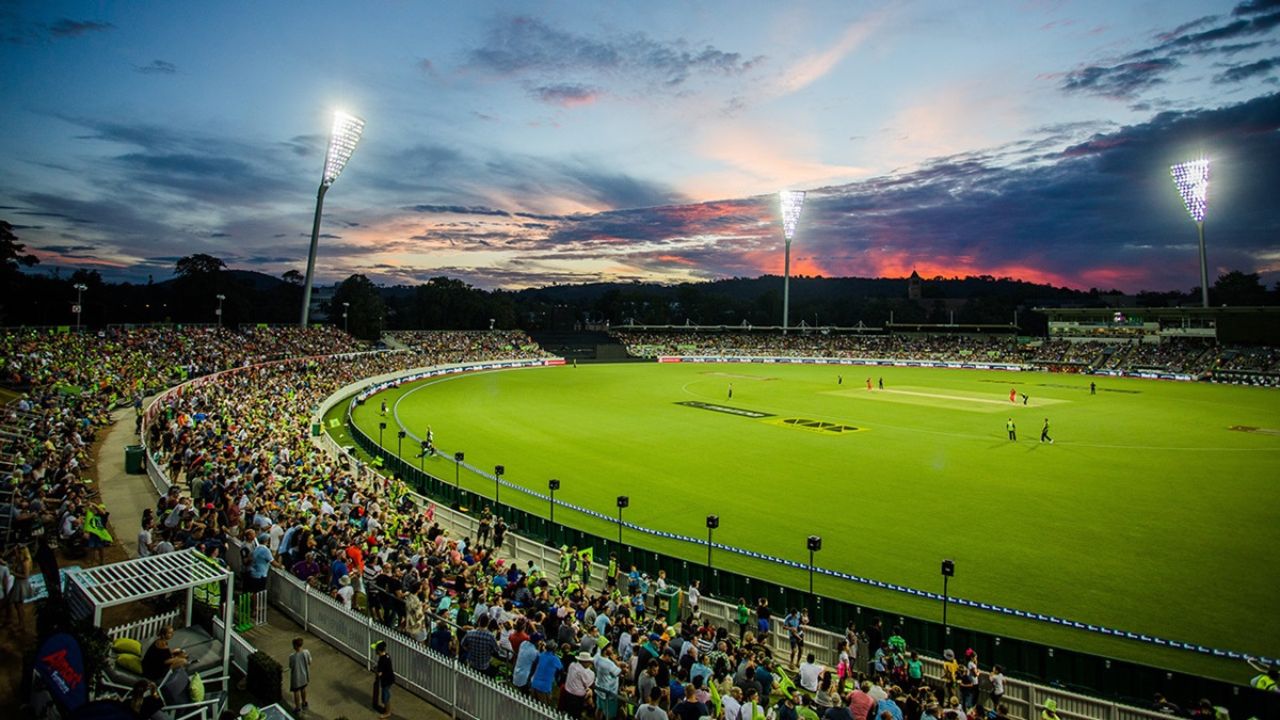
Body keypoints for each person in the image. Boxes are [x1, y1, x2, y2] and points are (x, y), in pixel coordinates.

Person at [562, 652, 596, 717]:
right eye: (589, 662)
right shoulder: (584, 672)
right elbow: (588, 683)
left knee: (567, 713)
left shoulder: (572, 665)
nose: (590, 664)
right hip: (576, 698)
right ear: (585, 662)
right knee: (574, 715)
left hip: (567, 693)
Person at [288, 637, 312, 713]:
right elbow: (309, 662)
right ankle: (304, 703)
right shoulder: (306, 652)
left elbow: (291, 666)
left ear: (295, 645)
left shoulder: (292, 656)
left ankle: (298, 707)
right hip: (304, 675)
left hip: (296, 677)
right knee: (303, 689)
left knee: (296, 692)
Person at [375, 640, 394, 719]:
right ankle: (387, 709)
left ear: (379, 650)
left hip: (385, 681)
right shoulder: (387, 656)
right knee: (386, 695)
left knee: (385, 697)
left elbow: (380, 673)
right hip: (390, 679)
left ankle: (387, 712)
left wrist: (376, 670)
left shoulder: (382, 660)